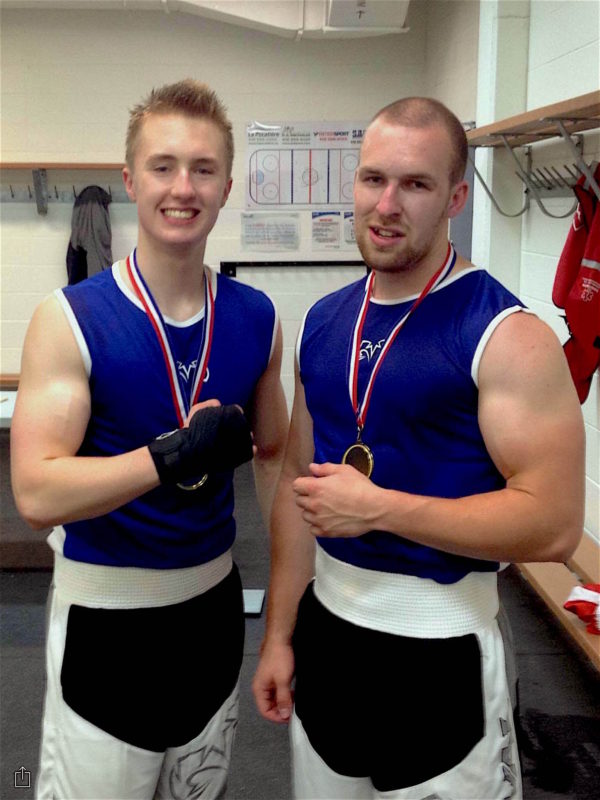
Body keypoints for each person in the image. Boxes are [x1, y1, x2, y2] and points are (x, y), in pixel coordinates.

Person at [252, 97, 585, 800]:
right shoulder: (324, 320)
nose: (387, 205)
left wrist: (380, 509)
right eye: (373, 179)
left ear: (456, 198)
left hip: (442, 651)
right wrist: (279, 632)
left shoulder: (507, 335)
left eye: (416, 184)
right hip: (327, 637)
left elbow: (554, 524)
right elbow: (296, 484)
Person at [11, 79, 288, 800]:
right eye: (163, 166)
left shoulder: (257, 317)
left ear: (227, 188)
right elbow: (37, 492)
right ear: (131, 180)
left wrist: (289, 611)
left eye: (203, 169)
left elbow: (275, 456)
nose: (183, 187)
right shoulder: (71, 318)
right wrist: (170, 457)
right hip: (107, 624)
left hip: (212, 613)